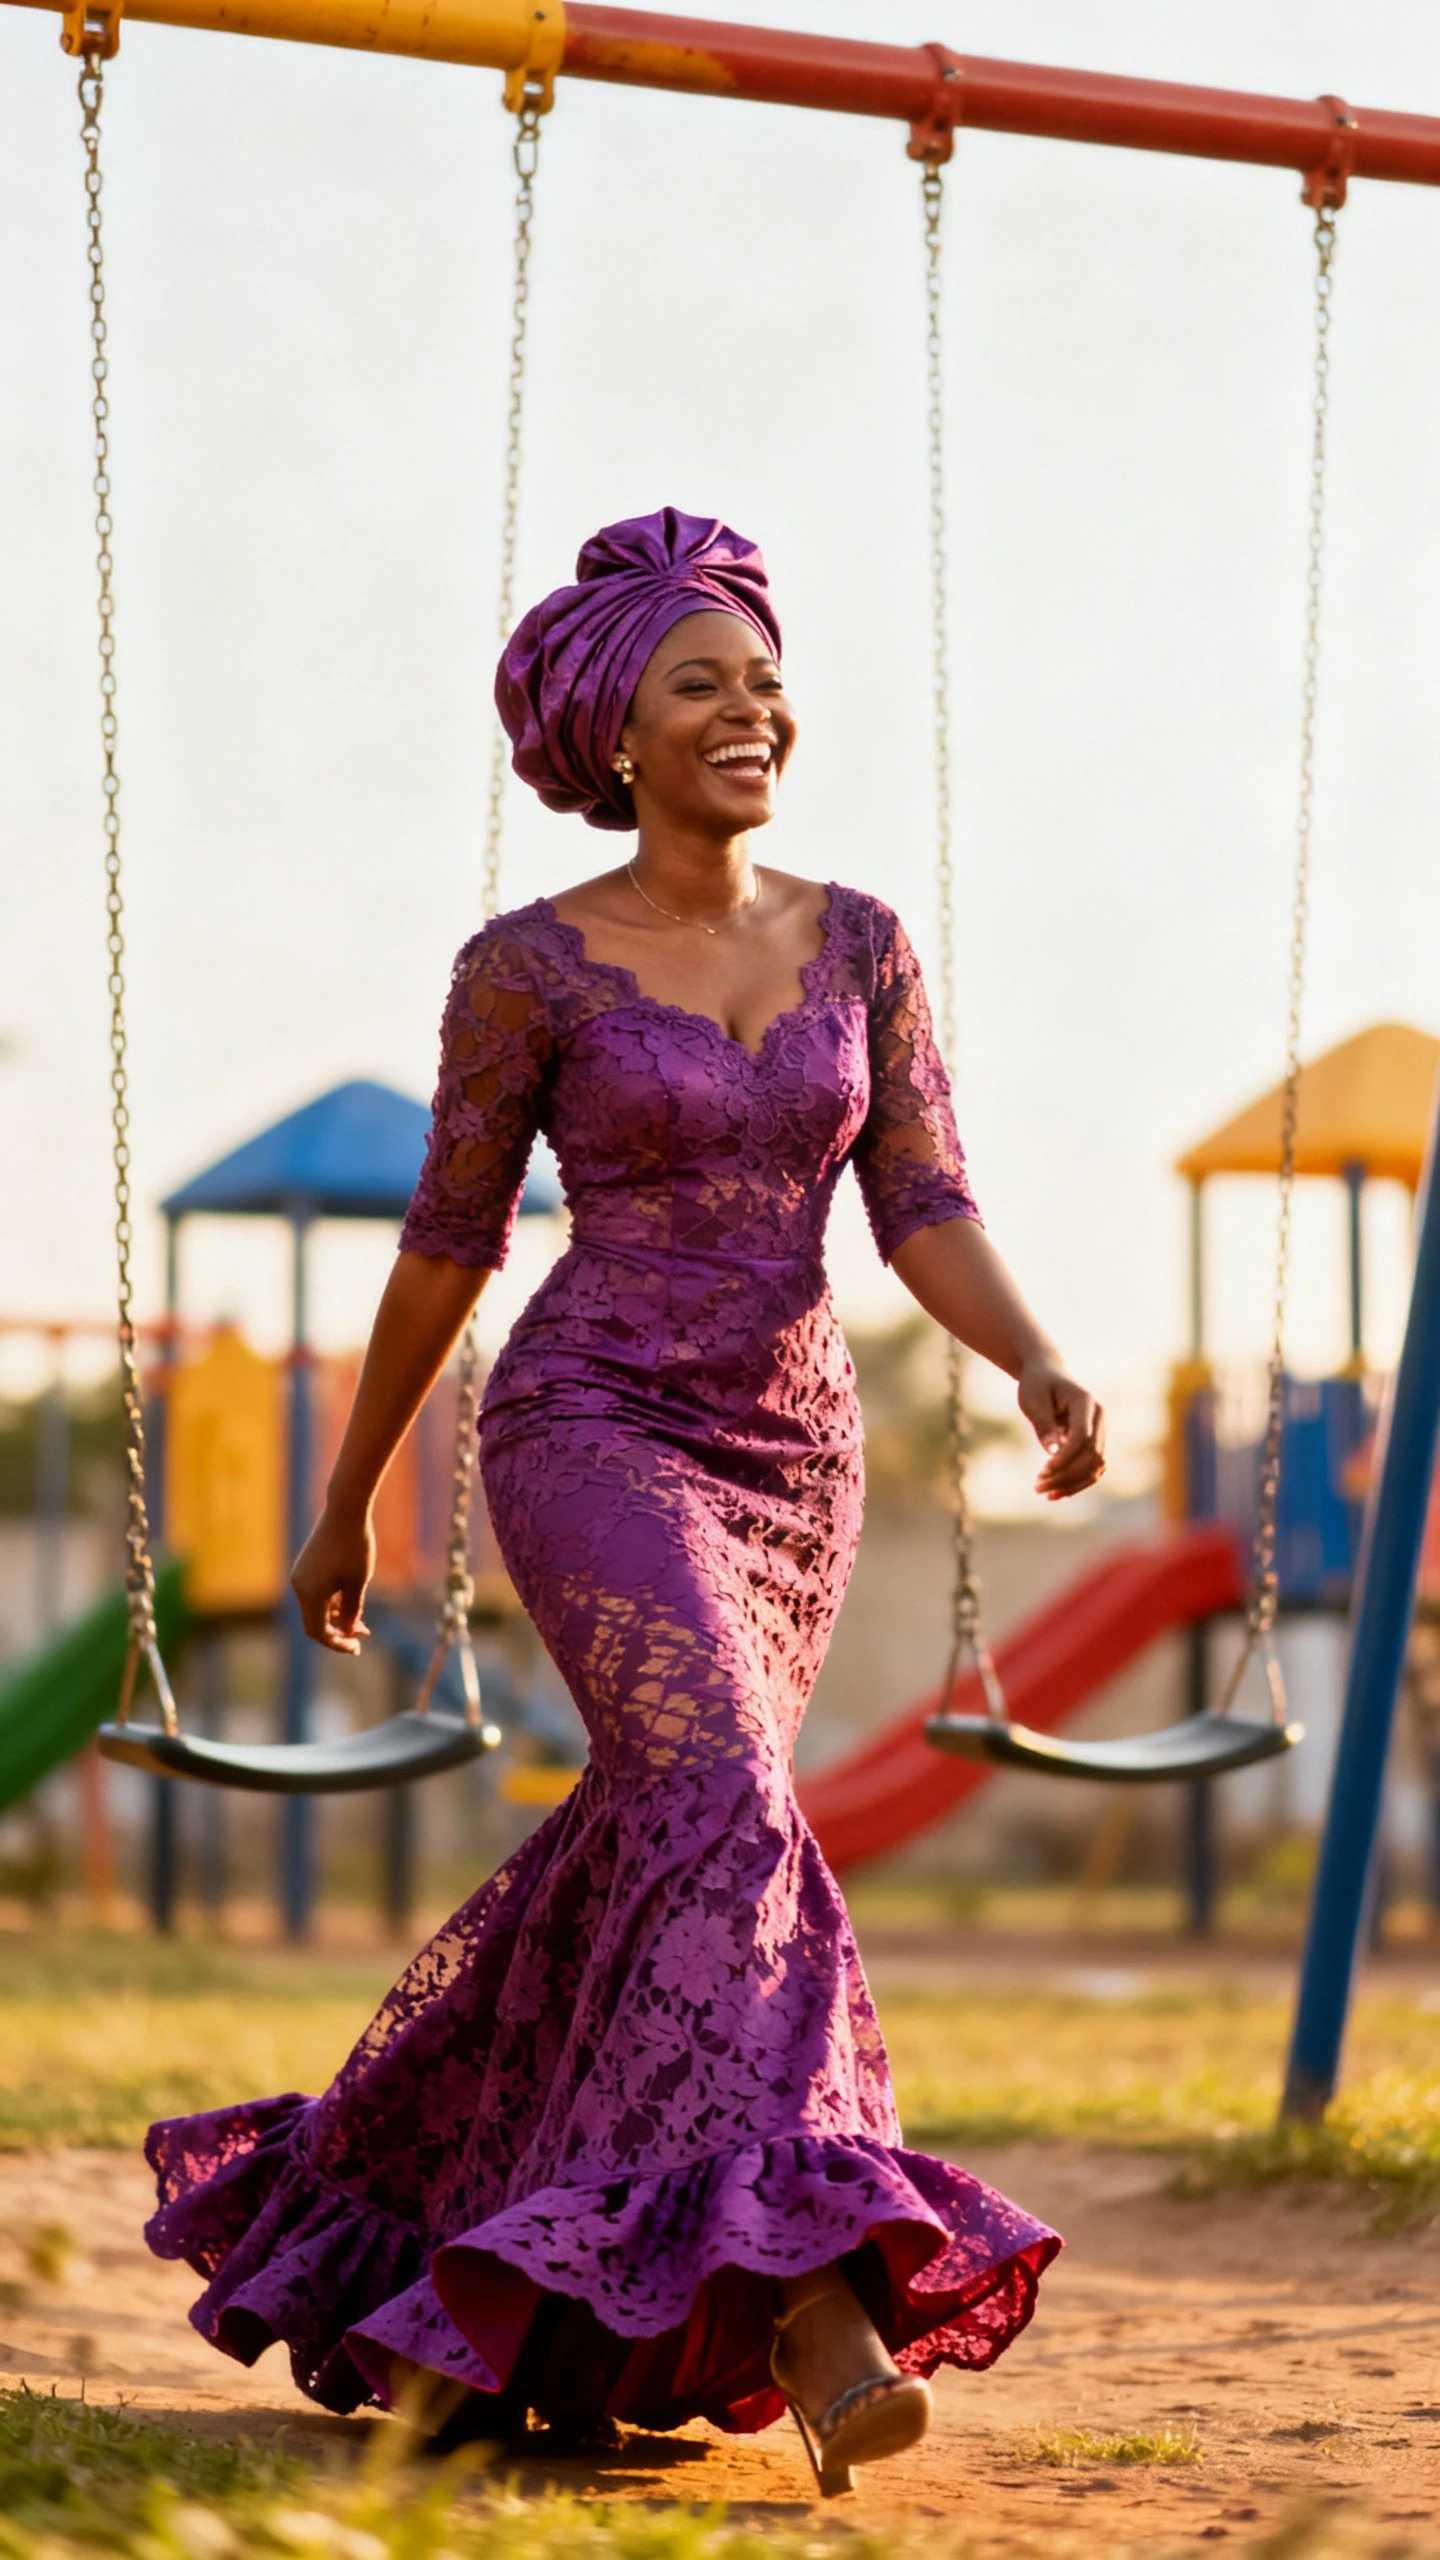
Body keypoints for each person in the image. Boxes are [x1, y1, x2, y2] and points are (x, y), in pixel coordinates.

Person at [144, 508, 1105, 2496]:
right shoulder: (525, 970)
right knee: (725, 1803)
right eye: (703, 682)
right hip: (588, 1422)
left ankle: (447, 2250)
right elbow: (446, 1242)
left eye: (765, 678)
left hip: (794, 1451)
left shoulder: (862, 942)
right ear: (614, 727)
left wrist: (1030, 1356)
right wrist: (345, 1501)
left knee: (660, 1840)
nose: (752, 709)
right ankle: (811, 2297)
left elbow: (922, 1201)